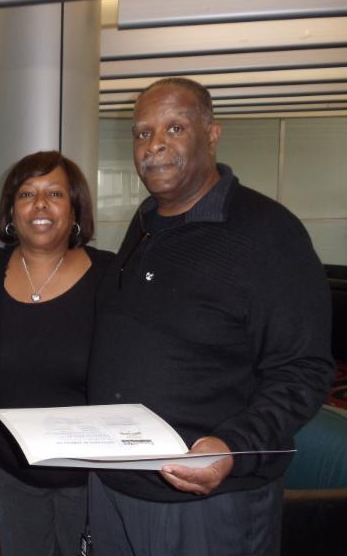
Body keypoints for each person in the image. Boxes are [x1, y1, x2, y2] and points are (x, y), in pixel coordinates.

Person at [86, 77, 334, 555]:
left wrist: (235, 446)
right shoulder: (146, 222)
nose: (154, 145)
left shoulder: (267, 232)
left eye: (175, 128)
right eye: (142, 133)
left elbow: (304, 369)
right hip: (115, 486)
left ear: (212, 134)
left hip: (205, 504)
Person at [0, 151, 114, 556]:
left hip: (90, 482)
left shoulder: (111, 277)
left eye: (55, 193)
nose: (40, 205)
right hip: (7, 477)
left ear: (75, 208)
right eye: (27, 194)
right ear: (11, 211)